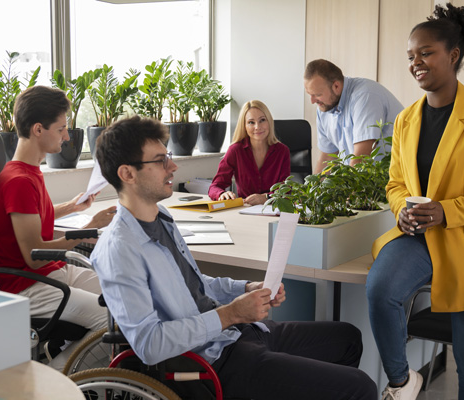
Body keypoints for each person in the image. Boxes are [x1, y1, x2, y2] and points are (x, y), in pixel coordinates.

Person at [91, 115, 378, 400]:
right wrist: (230, 314)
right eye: (160, 160)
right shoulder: (119, 250)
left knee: (347, 339)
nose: (173, 166)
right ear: (127, 174)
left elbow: (193, 285)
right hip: (214, 360)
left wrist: (244, 289)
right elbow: (150, 344)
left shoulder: (161, 217)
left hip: (236, 332)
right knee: (360, 387)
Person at [365, 4, 464, 400]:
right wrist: (402, 208)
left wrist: (447, 211)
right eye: (410, 56)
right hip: (422, 238)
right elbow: (396, 182)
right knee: (380, 289)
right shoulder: (406, 120)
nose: (416, 63)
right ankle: (402, 381)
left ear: (453, 55)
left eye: (426, 52)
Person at [0, 86, 116, 370]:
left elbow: (35, 219)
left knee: (121, 296)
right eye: (62, 129)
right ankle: (56, 383)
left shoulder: (29, 170)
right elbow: (34, 254)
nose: (67, 136)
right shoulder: (19, 179)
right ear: (38, 129)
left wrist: (72, 207)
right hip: (25, 285)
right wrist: (90, 227)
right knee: (110, 322)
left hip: (48, 272)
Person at [303, 59, 403, 174]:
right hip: (369, 179)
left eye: (317, 95)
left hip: (396, 178)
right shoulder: (324, 106)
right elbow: (327, 158)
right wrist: (313, 190)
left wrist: (349, 191)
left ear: (336, 86)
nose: (312, 101)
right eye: (310, 95)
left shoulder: (365, 96)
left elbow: (361, 158)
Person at [208, 100, 290, 205]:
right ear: (244, 126)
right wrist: (221, 194)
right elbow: (215, 186)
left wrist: (265, 197)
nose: (257, 127)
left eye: (262, 120)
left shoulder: (282, 151)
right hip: (245, 210)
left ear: (269, 121)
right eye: (251, 122)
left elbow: (286, 190)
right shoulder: (235, 150)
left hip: (274, 210)